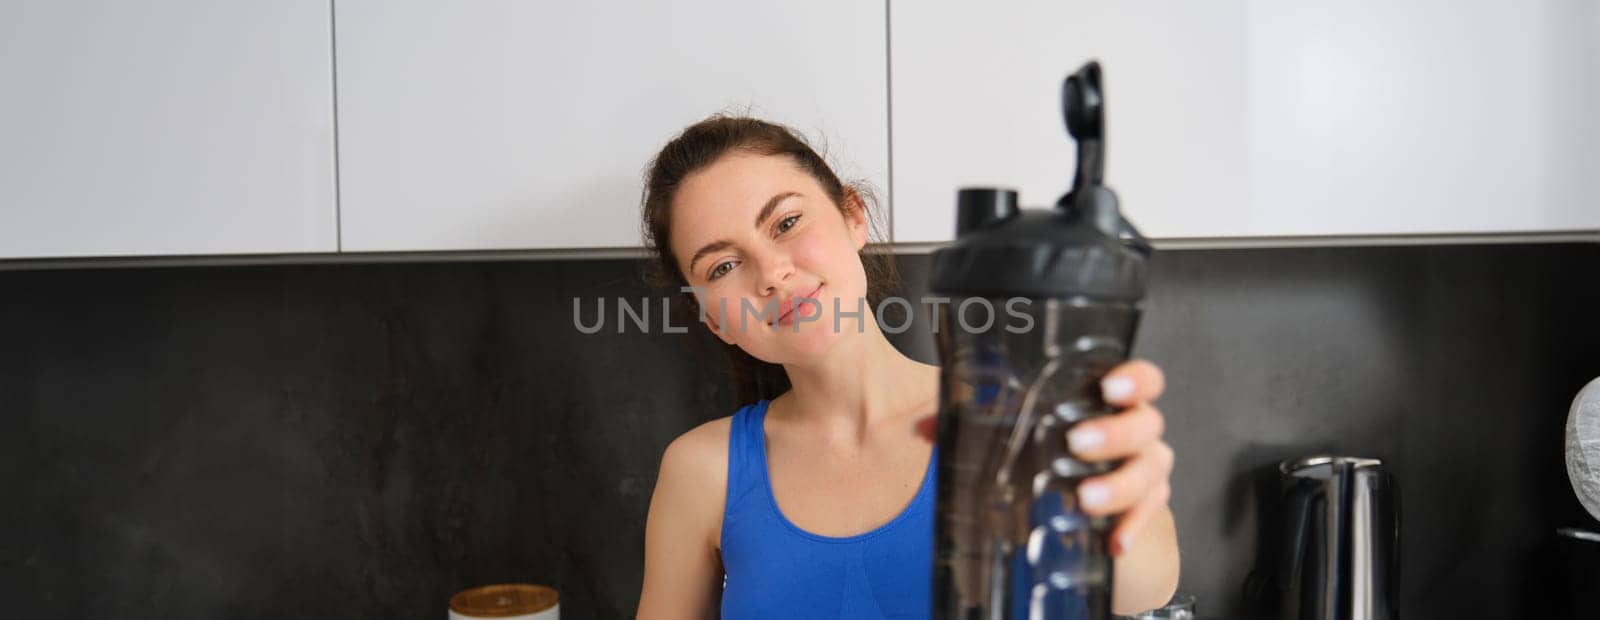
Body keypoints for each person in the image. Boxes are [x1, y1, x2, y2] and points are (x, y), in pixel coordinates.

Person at [635, 116, 1179, 618]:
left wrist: (1113, 494)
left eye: (786, 222)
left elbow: (1146, 587)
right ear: (711, 317)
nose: (772, 273)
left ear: (853, 217)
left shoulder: (1012, 419)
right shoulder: (702, 473)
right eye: (724, 265)